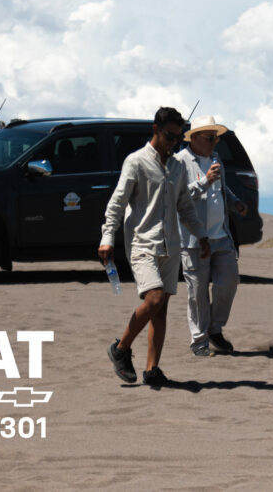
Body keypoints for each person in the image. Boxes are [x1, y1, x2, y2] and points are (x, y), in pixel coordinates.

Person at [99, 107, 210, 387]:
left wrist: (201, 235)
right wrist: (107, 237)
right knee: (154, 299)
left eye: (178, 137)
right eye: (169, 136)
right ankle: (121, 349)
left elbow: (185, 205)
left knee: (161, 311)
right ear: (155, 130)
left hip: (170, 245)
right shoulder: (136, 161)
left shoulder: (177, 166)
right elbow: (117, 202)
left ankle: (152, 369)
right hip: (142, 243)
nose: (173, 142)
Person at [175, 115, 249, 356]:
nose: (214, 142)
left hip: (221, 235)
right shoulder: (180, 162)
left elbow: (221, 186)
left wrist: (235, 202)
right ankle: (199, 342)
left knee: (228, 282)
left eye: (216, 138)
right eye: (210, 138)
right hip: (194, 240)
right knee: (197, 293)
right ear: (195, 138)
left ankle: (215, 329)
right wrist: (204, 181)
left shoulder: (216, 158)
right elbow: (178, 198)